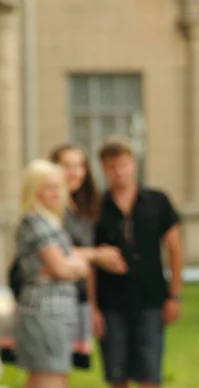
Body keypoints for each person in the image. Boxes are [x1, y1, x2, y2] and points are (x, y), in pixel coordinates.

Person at [90, 136, 184, 388]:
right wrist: (93, 307)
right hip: (111, 301)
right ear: (103, 168)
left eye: (123, 164)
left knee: (150, 372)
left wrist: (175, 295)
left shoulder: (157, 200)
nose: (118, 171)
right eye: (111, 166)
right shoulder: (97, 206)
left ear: (133, 163)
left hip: (151, 298)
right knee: (117, 374)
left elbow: (175, 249)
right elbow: (90, 260)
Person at [50, 143, 128, 369]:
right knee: (50, 370)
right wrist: (96, 255)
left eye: (80, 165)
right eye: (68, 165)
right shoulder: (51, 206)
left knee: (63, 370)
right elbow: (52, 250)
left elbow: (86, 263)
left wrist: (93, 306)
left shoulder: (81, 207)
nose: (75, 172)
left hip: (79, 298)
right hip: (54, 299)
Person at [13, 160, 89, 388]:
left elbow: (66, 267)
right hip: (44, 313)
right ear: (33, 190)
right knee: (49, 379)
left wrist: (71, 265)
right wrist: (73, 266)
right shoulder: (36, 222)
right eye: (48, 186)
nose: (56, 192)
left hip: (57, 314)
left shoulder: (51, 222)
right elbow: (62, 268)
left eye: (58, 186)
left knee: (54, 377)